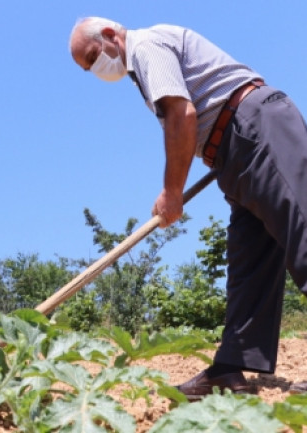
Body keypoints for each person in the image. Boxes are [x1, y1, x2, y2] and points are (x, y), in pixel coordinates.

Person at [69, 17, 307, 400]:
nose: (97, 69)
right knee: (250, 260)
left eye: (94, 57)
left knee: (302, 229)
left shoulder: (145, 47)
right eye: (88, 67)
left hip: (255, 128)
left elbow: (182, 115)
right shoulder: (141, 67)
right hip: (233, 151)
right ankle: (229, 368)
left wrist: (171, 191)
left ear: (112, 35)